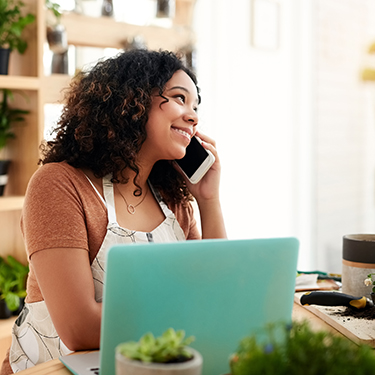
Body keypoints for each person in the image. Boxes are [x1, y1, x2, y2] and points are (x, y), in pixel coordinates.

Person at [1, 49, 226, 374]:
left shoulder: (175, 201)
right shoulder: (59, 185)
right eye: (179, 98)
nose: (193, 116)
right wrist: (193, 310)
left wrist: (208, 200)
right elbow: (80, 330)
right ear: (131, 101)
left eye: (195, 107)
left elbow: (219, 293)